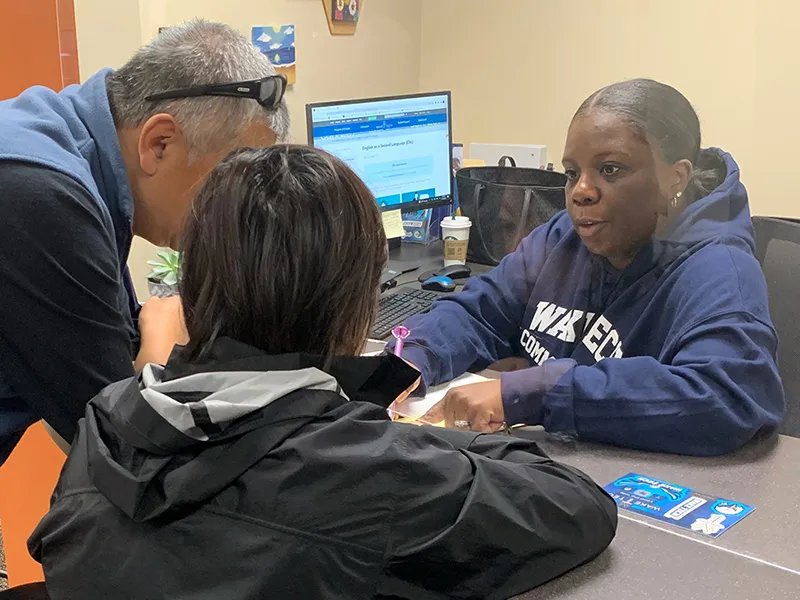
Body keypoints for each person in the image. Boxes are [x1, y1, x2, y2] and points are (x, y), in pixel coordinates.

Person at [29, 145, 617, 600]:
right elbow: (578, 507)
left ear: (194, 287)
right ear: (356, 306)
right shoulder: (369, 472)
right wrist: (405, 436)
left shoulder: (104, 421)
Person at [391, 79, 784, 457]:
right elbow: (481, 314)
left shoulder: (718, 268)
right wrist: (411, 359)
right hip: (542, 465)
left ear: (674, 178)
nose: (581, 191)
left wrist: (535, 392)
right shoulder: (563, 236)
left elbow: (727, 396)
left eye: (610, 169)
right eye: (572, 173)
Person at [0, 20, 289, 464]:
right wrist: (156, 345)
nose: (233, 212)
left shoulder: (79, 155)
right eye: (227, 183)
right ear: (159, 143)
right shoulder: (39, 194)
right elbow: (119, 448)